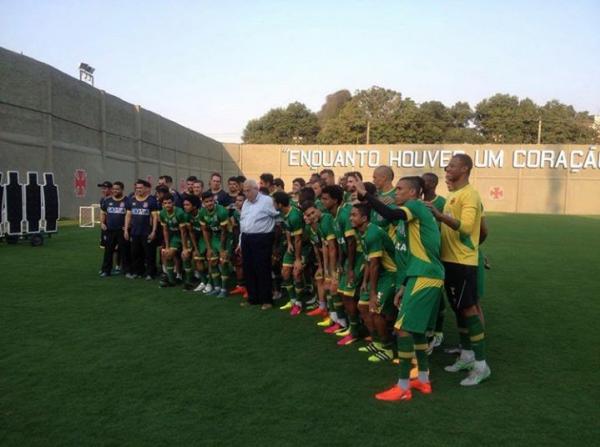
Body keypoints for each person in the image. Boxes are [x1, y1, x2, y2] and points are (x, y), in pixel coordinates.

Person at [357, 176, 444, 401]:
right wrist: (404, 284)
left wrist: (366, 195)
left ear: (413, 192)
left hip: (426, 275)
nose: (396, 192)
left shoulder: (414, 206)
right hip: (419, 275)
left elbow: (390, 214)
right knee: (415, 330)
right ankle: (423, 380)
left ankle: (403, 386)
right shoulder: (410, 217)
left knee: (403, 329)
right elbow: (410, 255)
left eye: (400, 189)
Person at [425, 153, 491, 386]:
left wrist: (439, 216)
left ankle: (481, 366)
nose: (447, 168)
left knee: (470, 310)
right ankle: (467, 355)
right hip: (449, 261)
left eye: (452, 165)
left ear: (464, 169)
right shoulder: (453, 194)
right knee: (460, 310)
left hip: (462, 262)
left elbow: (467, 227)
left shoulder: (470, 194)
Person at [350, 203, 398, 364]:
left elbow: (376, 264)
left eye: (354, 215)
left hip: (391, 274)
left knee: (375, 310)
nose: (351, 218)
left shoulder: (373, 234)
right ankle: (376, 342)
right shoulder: (361, 232)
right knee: (362, 307)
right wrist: (365, 281)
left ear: (364, 218)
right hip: (380, 274)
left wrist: (372, 293)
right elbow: (368, 260)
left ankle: (387, 349)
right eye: (351, 215)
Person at [238, 179, 280, 309]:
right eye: (244, 191)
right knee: (248, 269)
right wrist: (240, 242)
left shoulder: (267, 201)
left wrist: (275, 240)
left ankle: (266, 300)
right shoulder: (246, 203)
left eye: (248, 190)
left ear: (256, 189)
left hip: (262, 238)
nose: (246, 194)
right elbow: (243, 223)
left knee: (262, 269)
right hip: (246, 238)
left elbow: (277, 217)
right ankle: (253, 298)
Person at [273, 191, 310, 315]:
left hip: (303, 247)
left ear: (279, 204)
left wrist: (298, 259)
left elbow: (298, 239)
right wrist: (289, 243)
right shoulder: (284, 212)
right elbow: (288, 229)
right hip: (293, 245)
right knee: (285, 272)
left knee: (296, 273)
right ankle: (293, 300)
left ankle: (299, 303)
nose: (273, 204)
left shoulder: (294, 216)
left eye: (274, 202)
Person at [124, 179, 159, 279]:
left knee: (149, 254)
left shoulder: (151, 200)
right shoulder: (131, 200)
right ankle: (138, 271)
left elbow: (155, 217)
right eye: (137, 188)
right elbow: (128, 215)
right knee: (135, 253)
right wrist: (126, 230)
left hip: (147, 232)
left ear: (145, 188)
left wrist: (154, 231)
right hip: (135, 232)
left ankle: (150, 273)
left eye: (140, 188)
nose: (138, 189)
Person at [199, 190, 231, 298]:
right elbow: (205, 230)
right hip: (215, 237)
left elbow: (224, 232)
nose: (209, 203)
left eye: (211, 201)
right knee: (212, 260)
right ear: (203, 203)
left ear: (214, 200)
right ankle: (217, 288)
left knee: (223, 261)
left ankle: (224, 289)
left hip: (227, 237)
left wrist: (222, 249)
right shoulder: (202, 213)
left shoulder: (221, 211)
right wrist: (208, 248)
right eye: (207, 201)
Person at [158, 194, 189, 288]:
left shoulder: (179, 213)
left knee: (185, 255)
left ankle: (188, 280)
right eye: (165, 203)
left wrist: (184, 247)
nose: (167, 205)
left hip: (186, 237)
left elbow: (184, 231)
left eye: (169, 203)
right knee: (168, 253)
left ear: (173, 203)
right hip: (175, 237)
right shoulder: (162, 213)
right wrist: (167, 247)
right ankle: (171, 280)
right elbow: (165, 230)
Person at [99, 181, 129, 277]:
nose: (115, 191)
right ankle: (106, 270)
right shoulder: (107, 201)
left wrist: (127, 227)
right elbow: (103, 212)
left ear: (122, 190)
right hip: (110, 230)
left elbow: (130, 215)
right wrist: (102, 223)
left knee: (125, 251)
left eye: (117, 189)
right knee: (108, 251)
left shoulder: (127, 201)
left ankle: (127, 271)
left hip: (122, 230)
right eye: (114, 189)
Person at [97, 181, 113, 250]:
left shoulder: (115, 199)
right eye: (102, 188)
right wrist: (102, 223)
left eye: (105, 188)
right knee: (106, 247)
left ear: (111, 189)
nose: (103, 190)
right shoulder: (102, 199)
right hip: (105, 226)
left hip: (114, 227)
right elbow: (102, 212)